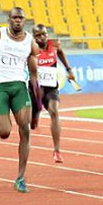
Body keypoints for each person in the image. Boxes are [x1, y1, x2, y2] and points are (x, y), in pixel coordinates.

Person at [0, 7, 41, 193]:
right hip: (0, 87)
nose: (18, 21)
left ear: (25, 20)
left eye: (21, 18)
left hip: (19, 87)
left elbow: (34, 73)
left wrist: (37, 99)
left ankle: (21, 177)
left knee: (25, 129)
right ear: (9, 19)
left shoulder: (30, 42)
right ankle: (4, 111)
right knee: (4, 132)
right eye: (15, 18)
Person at [29, 24, 75, 163]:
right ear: (34, 37)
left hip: (51, 88)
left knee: (54, 112)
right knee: (32, 122)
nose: (41, 37)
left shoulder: (54, 44)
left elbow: (60, 52)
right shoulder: (30, 49)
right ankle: (35, 116)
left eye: (43, 34)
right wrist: (35, 85)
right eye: (38, 35)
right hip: (34, 88)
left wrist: (69, 69)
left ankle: (57, 150)